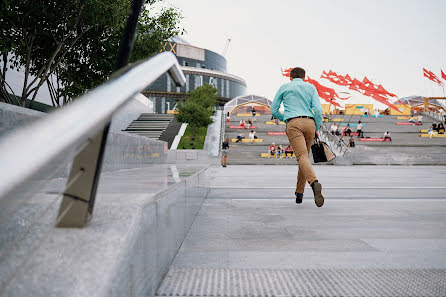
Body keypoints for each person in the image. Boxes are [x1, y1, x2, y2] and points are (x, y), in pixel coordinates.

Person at [271, 66, 324, 207]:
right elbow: (318, 110)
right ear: (304, 77)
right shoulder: (311, 87)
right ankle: (299, 194)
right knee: (304, 157)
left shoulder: (284, 87)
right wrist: (317, 126)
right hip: (310, 123)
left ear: (290, 77)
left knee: (301, 157)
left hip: (293, 123)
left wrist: (285, 118)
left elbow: (274, 109)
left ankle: (314, 183)